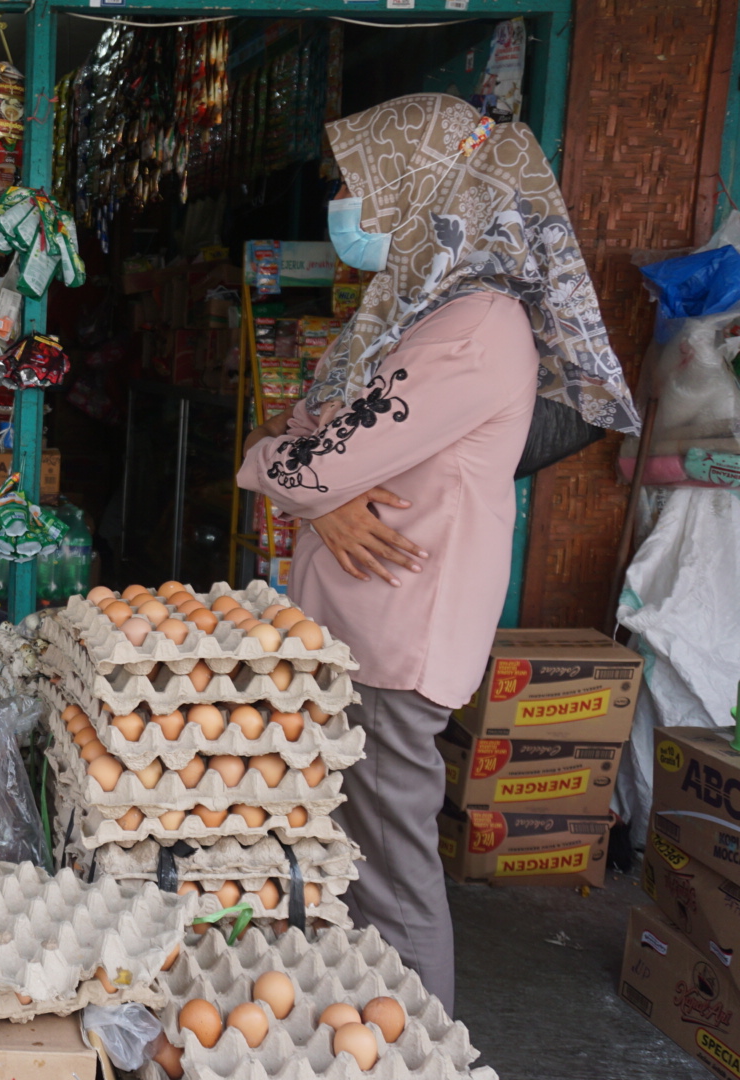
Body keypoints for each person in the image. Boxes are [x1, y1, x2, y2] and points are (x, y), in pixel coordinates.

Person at [236, 94, 640, 1011]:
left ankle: (420, 1046)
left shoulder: (473, 328)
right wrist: (314, 492)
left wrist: (293, 481)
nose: (344, 203)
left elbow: (305, 458)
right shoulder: (417, 312)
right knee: (353, 857)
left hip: (396, 637)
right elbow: (314, 439)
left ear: (425, 189)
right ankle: (372, 1036)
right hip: (358, 627)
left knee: (390, 873)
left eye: (359, 185)